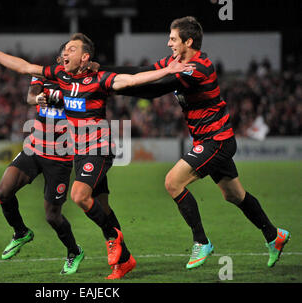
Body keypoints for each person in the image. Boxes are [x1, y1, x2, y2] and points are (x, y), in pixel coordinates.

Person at [0, 32, 193, 279]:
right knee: (101, 204)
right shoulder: (60, 75)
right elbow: (24, 66)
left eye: (72, 49)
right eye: (65, 49)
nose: (66, 52)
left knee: (79, 195)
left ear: (85, 57)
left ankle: (112, 237)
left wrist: (167, 70)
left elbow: (131, 80)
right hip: (78, 152)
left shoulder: (99, 80)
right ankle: (124, 260)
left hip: (99, 149)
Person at [100, 16, 290, 269]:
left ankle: (202, 241)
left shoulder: (197, 68)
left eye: (173, 38)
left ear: (188, 41)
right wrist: (101, 70)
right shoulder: (176, 62)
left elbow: (152, 89)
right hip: (208, 139)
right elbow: (141, 72)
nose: (168, 43)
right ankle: (273, 235)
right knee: (234, 195)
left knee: (172, 182)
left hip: (217, 140)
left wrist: (107, 86)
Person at [0, 44, 84, 275]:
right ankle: (21, 232)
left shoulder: (79, 85)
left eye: (69, 55)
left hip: (61, 156)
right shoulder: (43, 75)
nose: (64, 58)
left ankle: (74, 251)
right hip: (35, 147)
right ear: (57, 58)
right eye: (62, 55)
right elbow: (30, 97)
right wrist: (39, 99)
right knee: (3, 191)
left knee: (52, 216)